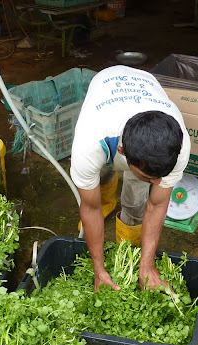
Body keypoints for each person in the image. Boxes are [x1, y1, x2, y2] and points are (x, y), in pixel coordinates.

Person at [70, 65, 191, 293]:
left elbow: (156, 204)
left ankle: (132, 249)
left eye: (160, 177)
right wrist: (99, 269)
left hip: (146, 83)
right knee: (100, 177)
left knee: (137, 198)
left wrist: (148, 265)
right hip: (105, 83)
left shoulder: (179, 146)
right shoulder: (89, 143)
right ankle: (109, 198)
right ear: (124, 154)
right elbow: (89, 207)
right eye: (149, 177)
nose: (157, 184)